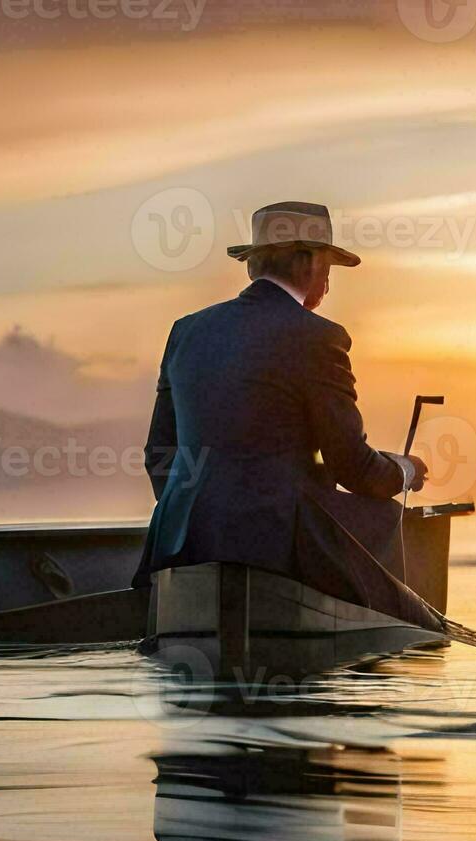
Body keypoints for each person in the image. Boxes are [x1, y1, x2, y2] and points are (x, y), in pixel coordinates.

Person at [134, 201, 441, 628]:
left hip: (181, 542)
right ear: (309, 262)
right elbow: (350, 467)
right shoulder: (319, 338)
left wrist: (203, 514)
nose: (329, 284)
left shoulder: (186, 331)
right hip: (276, 544)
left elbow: (158, 453)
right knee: (420, 615)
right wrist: (404, 471)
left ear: (251, 266)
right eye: (329, 266)